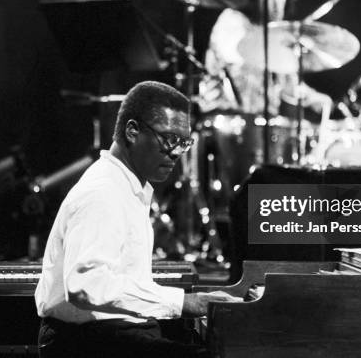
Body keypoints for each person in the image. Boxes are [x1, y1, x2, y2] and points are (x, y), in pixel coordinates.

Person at [35, 81, 240, 358]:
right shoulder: (103, 191)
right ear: (132, 131)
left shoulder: (125, 186)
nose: (177, 153)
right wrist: (186, 302)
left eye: (184, 143)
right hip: (85, 343)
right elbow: (86, 285)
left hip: (113, 335)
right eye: (169, 140)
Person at [200, 0, 332, 116]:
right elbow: (237, 54)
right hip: (224, 116)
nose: (277, 2)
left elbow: (289, 84)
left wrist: (313, 98)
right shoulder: (233, 20)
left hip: (262, 122)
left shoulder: (277, 34)